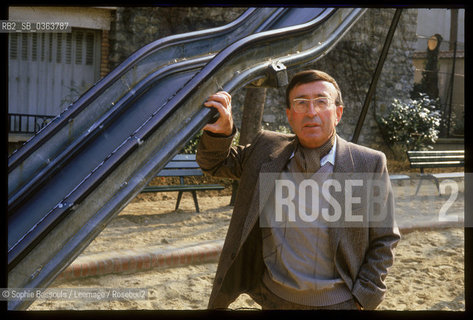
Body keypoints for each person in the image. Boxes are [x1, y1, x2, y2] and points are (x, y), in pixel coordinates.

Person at [196, 70, 400, 310]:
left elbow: (384, 238)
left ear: (338, 113)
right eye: (301, 103)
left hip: (341, 303)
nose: (311, 112)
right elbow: (215, 163)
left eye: (321, 102)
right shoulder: (266, 151)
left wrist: (364, 297)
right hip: (273, 299)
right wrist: (221, 131)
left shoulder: (369, 164)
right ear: (290, 116)